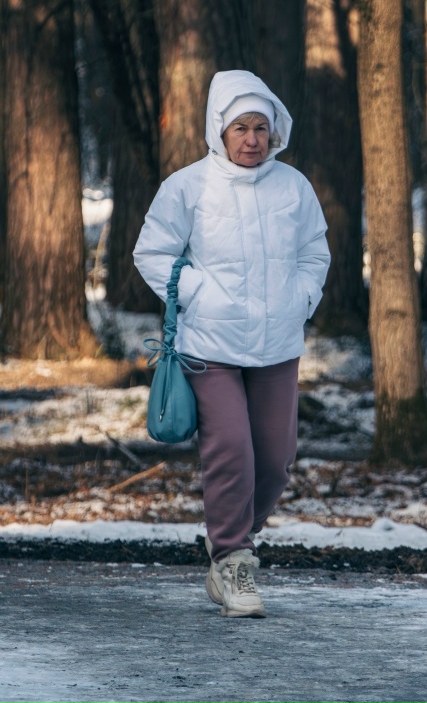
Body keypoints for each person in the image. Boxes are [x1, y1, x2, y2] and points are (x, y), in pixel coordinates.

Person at [133, 70, 330, 618]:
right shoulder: (188, 186)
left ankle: (235, 533)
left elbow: (316, 253)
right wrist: (198, 294)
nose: (251, 138)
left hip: (277, 344)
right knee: (232, 453)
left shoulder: (294, 188)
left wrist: (301, 298)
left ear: (274, 132)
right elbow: (151, 253)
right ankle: (232, 561)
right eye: (240, 127)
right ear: (219, 131)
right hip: (209, 345)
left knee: (275, 459)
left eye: (260, 127)